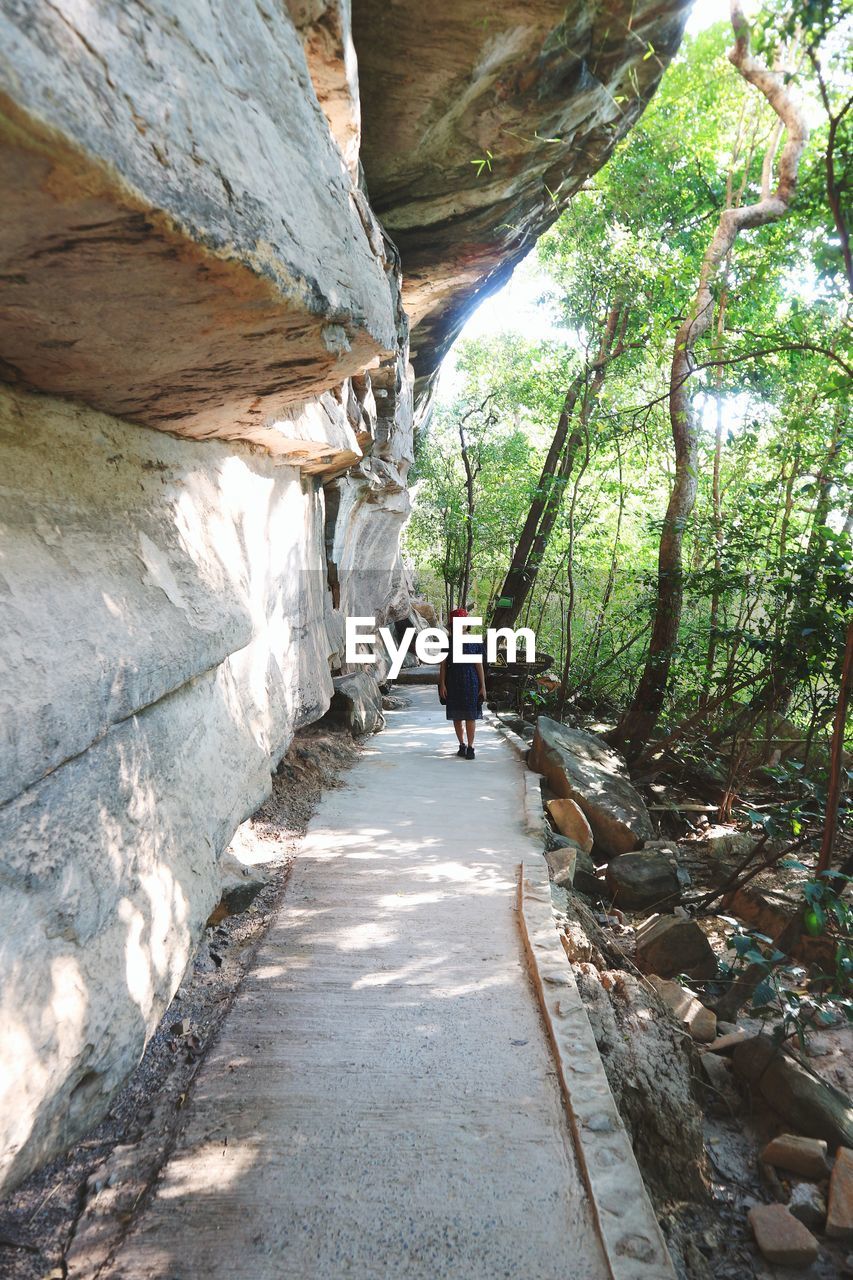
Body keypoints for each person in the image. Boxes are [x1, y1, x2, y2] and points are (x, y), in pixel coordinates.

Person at [438, 607, 487, 759]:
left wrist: (483, 686)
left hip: (471, 679)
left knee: (471, 715)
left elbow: (479, 664)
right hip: (453, 679)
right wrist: (442, 684)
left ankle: (471, 747)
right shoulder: (448, 642)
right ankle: (461, 745)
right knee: (457, 716)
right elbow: (443, 665)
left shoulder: (474, 641)